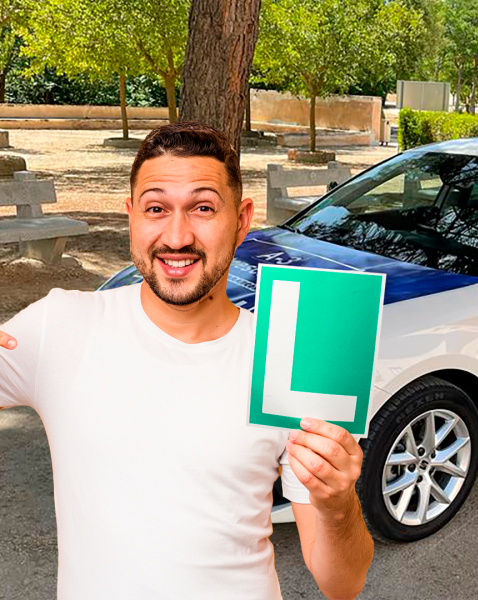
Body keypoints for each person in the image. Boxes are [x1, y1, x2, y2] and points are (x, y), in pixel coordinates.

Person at [0, 122, 374, 600]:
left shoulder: (292, 356)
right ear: (132, 215)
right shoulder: (62, 325)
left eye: (202, 208)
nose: (177, 236)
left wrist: (338, 501)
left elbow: (342, 584)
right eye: (157, 208)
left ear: (241, 220)